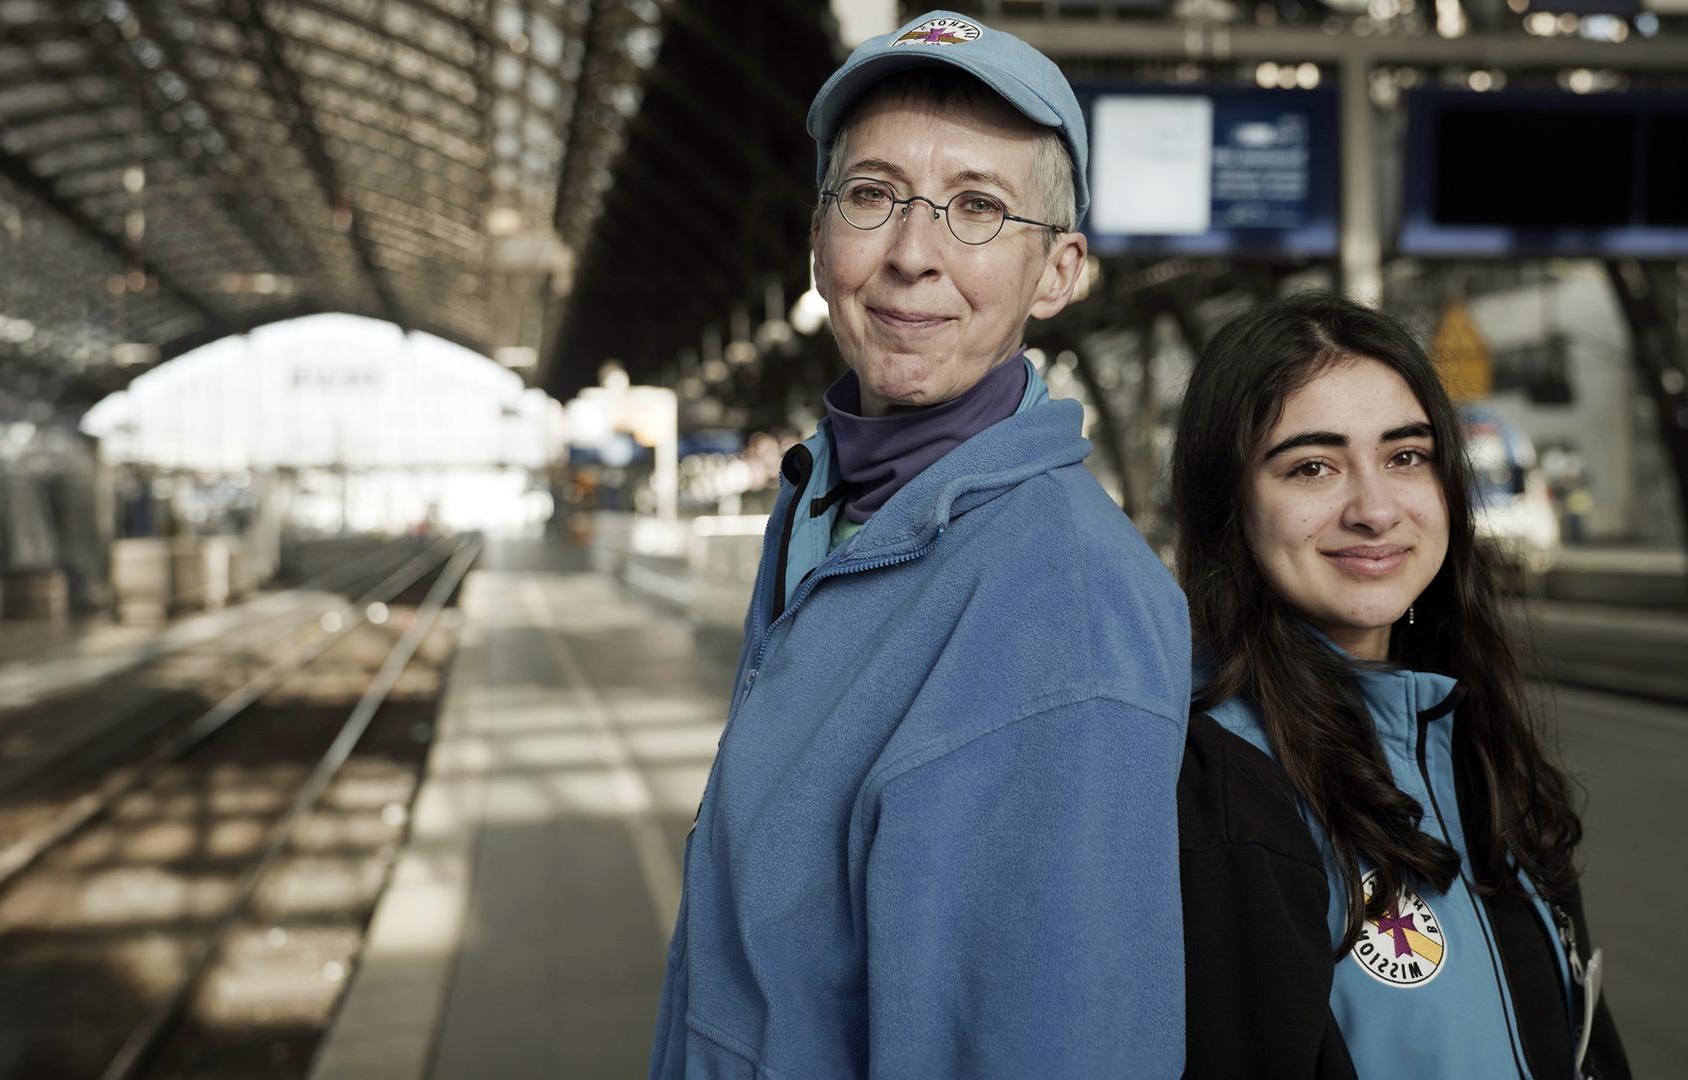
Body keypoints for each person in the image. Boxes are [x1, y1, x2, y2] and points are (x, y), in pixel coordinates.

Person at [648, 11, 1191, 1080]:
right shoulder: (825, 503)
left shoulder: (1066, 606)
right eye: (872, 195)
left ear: (1058, 273)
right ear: (819, 242)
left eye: (978, 207)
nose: (910, 254)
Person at [1169, 295, 1631, 1079]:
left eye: (1406, 456)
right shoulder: (1211, 785)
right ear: (1228, 504)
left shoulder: (1465, 736)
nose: (1376, 510)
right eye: (1311, 467)